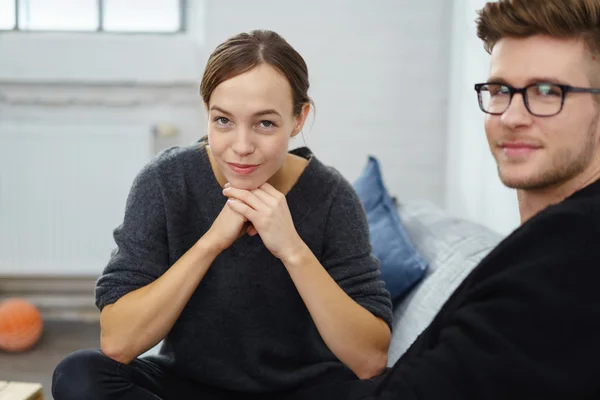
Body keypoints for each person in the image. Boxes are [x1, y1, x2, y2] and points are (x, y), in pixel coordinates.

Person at [51, 30, 392, 400]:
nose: (241, 147)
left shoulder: (332, 197)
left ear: (298, 118)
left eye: (265, 123)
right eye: (224, 121)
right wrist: (211, 243)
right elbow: (118, 342)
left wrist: (293, 249)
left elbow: (369, 359)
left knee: (390, 388)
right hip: (186, 384)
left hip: (302, 389)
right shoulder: (166, 181)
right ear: (206, 113)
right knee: (78, 374)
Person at [365, 0, 600, 398]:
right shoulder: (541, 241)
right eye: (500, 90)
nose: (511, 116)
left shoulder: (573, 248)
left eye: (547, 91)